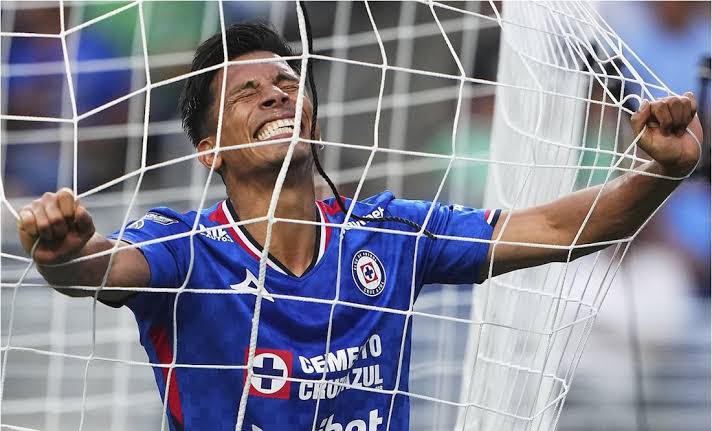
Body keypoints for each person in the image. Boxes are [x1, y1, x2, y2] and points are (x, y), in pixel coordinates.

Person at [14, 23, 702, 431]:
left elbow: (553, 228)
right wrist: (62, 254)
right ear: (209, 150)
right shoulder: (187, 247)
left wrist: (662, 172)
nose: (276, 94)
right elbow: (99, 268)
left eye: (287, 83)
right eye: (247, 92)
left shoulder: (386, 233)